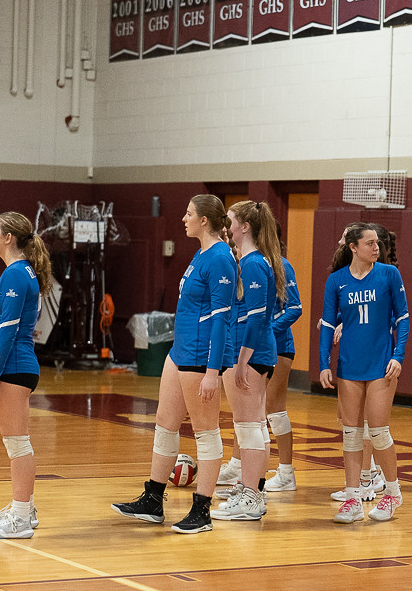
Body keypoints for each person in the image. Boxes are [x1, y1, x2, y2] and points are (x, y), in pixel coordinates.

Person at [111, 195, 235, 533]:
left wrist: (213, 371)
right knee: (165, 424)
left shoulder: (222, 258)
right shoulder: (200, 253)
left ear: (205, 221)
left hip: (199, 357)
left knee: (206, 433)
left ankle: (202, 510)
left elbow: (223, 321)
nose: (184, 218)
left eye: (189, 213)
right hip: (179, 352)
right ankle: (153, 499)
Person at [320, 224, 409, 523]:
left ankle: (393, 493)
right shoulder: (336, 281)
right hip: (349, 367)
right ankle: (353, 498)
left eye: (377, 243)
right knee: (351, 435)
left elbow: (404, 319)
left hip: (381, 364)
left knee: (379, 432)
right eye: (369, 243)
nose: (377, 248)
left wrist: (399, 355)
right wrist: (323, 363)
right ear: (353, 247)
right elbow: (328, 325)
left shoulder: (388, 274)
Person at [0, 212, 53, 539]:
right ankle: (25, 508)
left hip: (13, 368)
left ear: (9, 238)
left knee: (17, 444)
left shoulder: (17, 275)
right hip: (14, 367)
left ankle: (21, 517)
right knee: (17, 443)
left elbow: (8, 333)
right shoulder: (18, 272)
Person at [211, 200, 287, 520]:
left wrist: (241, 361)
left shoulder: (255, 263)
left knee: (248, 428)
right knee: (254, 425)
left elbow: (256, 319)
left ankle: (251, 498)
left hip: (251, 352)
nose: (226, 227)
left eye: (229, 221)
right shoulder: (253, 260)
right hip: (255, 351)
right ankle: (250, 490)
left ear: (244, 227)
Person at [263, 226, 302, 491]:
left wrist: (266, 331)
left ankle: (286, 472)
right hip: (253, 348)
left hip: (278, 347)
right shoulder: (249, 263)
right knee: (249, 412)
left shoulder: (283, 266)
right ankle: (238, 466)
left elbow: (294, 308)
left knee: (274, 410)